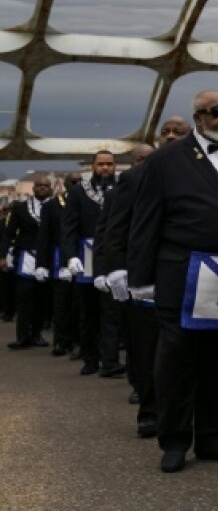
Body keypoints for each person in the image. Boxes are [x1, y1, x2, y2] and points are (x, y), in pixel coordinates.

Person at [129, 90, 218, 473]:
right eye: (216, 112)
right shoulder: (166, 159)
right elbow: (146, 219)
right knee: (176, 363)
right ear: (198, 118)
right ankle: (173, 441)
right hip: (180, 273)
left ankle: (213, 438)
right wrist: (140, 276)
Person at [97, 142, 157, 437]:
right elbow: (110, 231)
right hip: (137, 273)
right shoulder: (126, 186)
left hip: (177, 270)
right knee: (140, 342)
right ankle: (147, 402)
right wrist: (110, 269)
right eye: (140, 159)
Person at [61, 150, 120, 376]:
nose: (105, 168)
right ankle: (90, 359)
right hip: (85, 258)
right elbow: (68, 227)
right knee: (87, 312)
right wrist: (70, 256)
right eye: (101, 164)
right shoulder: (78, 192)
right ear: (93, 166)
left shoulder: (122, 189)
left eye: (109, 164)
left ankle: (110, 361)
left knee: (111, 312)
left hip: (113, 257)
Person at [3, 175, 53, 349]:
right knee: (24, 297)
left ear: (50, 188)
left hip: (47, 257)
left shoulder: (56, 207)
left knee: (41, 297)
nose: (42, 187)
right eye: (39, 185)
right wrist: (3, 255)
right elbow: (9, 233)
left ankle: (37, 334)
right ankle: (22, 336)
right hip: (26, 256)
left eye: (45, 185)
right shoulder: (21, 207)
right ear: (33, 188)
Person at [38, 173, 78, 357]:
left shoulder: (85, 202)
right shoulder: (51, 206)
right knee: (60, 303)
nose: (75, 184)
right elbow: (43, 237)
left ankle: (78, 342)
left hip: (81, 258)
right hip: (58, 259)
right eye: (72, 182)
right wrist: (41, 264)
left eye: (79, 182)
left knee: (79, 304)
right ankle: (61, 341)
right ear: (65, 184)